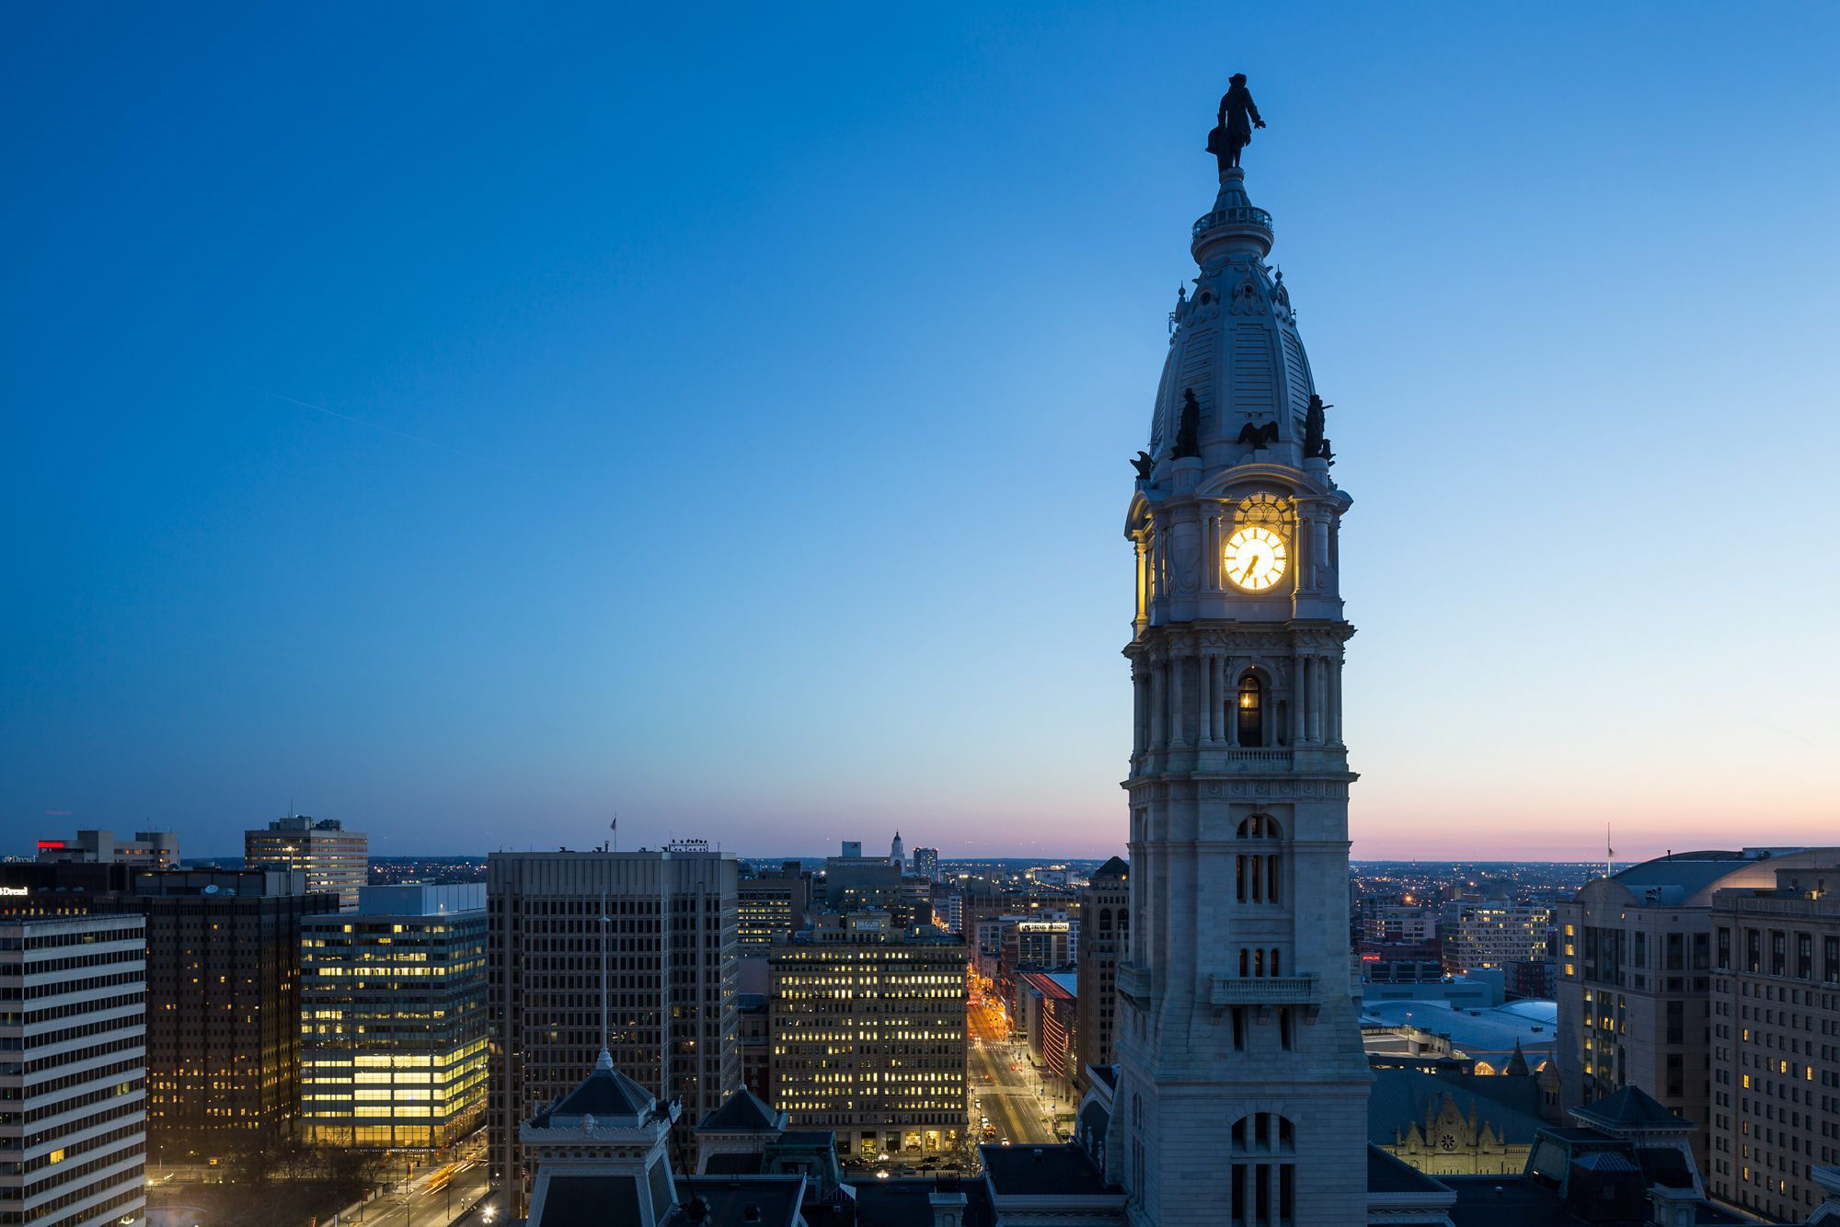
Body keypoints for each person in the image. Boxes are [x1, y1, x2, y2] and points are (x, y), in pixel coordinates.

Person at [1209, 72, 1265, 173]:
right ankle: (1235, 165)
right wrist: (1221, 128)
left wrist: (1256, 120)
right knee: (1235, 143)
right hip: (1235, 123)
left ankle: (1236, 165)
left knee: (1237, 143)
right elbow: (1222, 112)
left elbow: (1250, 106)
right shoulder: (1229, 96)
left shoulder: (1237, 93)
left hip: (1239, 122)